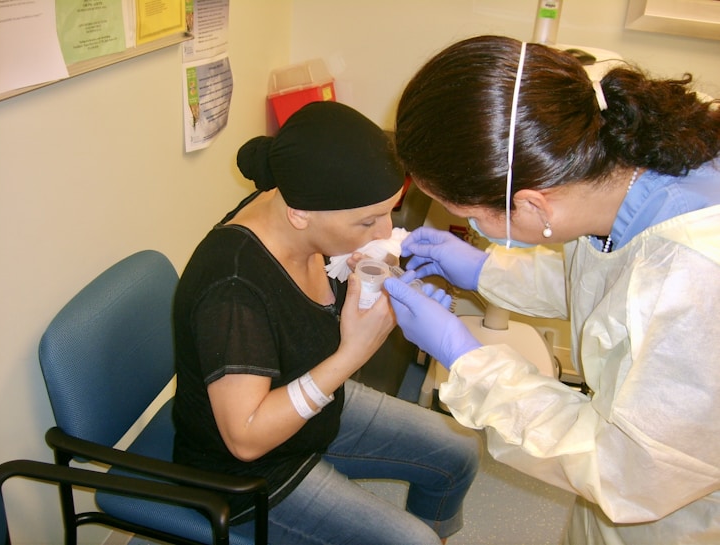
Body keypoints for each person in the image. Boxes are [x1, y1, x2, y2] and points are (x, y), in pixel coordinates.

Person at [384, 35, 720, 545]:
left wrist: (468, 360)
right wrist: (484, 269)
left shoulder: (698, 278)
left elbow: (628, 474)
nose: (470, 226)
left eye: (471, 216)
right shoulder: (616, 163)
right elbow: (612, 280)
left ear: (535, 206)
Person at [172, 100, 479, 545]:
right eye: (367, 221)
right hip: (249, 476)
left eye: (391, 211)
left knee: (459, 453)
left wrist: (385, 283)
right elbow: (246, 438)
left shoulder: (296, 211)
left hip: (313, 408)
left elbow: (311, 312)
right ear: (300, 215)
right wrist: (353, 352)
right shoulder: (234, 289)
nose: (383, 232)